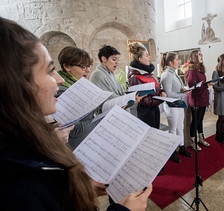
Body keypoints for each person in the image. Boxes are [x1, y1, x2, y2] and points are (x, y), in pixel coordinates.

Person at [0, 16, 152, 210]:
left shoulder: (23, 144)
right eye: (49, 71)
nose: (58, 80)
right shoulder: (20, 182)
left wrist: (77, 185)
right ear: (15, 82)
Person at [56, 46, 101, 149]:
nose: (88, 71)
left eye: (89, 66)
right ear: (67, 66)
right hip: (74, 148)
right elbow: (75, 130)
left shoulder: (80, 85)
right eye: (83, 67)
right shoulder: (61, 91)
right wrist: (103, 118)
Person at [160, 52, 192, 163]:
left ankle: (181, 147)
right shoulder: (167, 75)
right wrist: (184, 94)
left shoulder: (173, 73)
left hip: (178, 104)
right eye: (177, 59)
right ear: (170, 62)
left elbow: (176, 87)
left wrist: (183, 88)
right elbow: (168, 94)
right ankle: (172, 152)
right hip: (171, 105)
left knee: (180, 127)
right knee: (172, 129)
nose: (179, 61)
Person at [128, 41, 166, 129]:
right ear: (140, 59)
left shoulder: (148, 73)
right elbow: (143, 99)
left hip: (154, 109)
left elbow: (156, 87)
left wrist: (162, 91)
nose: (149, 58)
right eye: (147, 55)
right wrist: (160, 100)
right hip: (145, 112)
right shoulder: (135, 76)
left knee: (155, 133)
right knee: (149, 137)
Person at [184, 50, 211, 151]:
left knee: (200, 120)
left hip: (202, 98)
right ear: (194, 57)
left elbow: (202, 83)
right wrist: (205, 86)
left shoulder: (200, 69)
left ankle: (201, 138)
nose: (201, 56)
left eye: (201, 54)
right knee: (195, 121)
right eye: (199, 54)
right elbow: (192, 86)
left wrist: (206, 85)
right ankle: (192, 141)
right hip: (195, 98)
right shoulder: (191, 71)